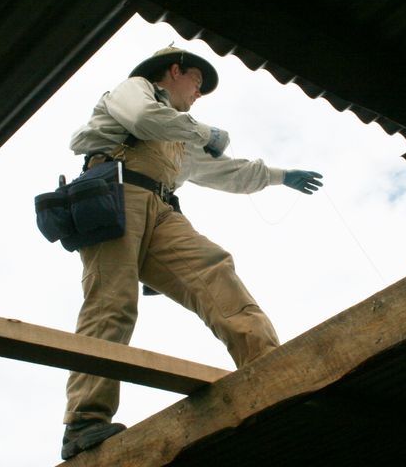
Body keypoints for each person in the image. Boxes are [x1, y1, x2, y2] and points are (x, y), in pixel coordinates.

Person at [60, 45, 323, 460]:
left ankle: (271, 370)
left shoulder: (179, 138)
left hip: (161, 209)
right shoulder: (135, 89)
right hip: (114, 194)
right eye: (197, 83)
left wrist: (280, 176)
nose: (199, 94)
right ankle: (84, 420)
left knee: (215, 269)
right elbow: (145, 119)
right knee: (113, 301)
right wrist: (204, 131)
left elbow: (227, 172)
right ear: (175, 71)